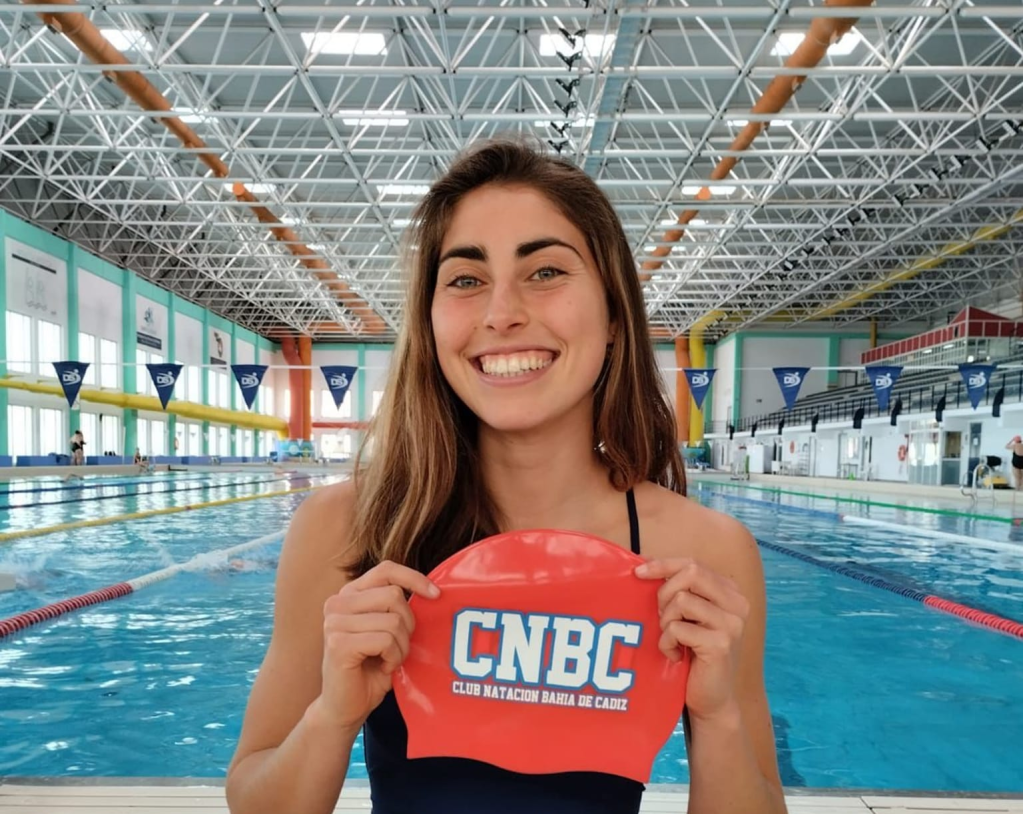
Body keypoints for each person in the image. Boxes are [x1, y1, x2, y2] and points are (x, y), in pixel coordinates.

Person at [225, 137, 786, 814]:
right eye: (465, 279)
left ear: (612, 314)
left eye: (545, 272)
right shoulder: (345, 529)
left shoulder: (701, 554)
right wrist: (333, 716)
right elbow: (253, 799)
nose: (501, 313)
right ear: (430, 322)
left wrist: (717, 714)